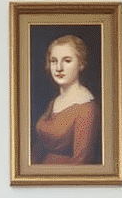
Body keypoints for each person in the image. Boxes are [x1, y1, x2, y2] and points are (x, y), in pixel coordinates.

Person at [32, 34, 100, 166]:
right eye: (53, 61)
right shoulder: (54, 102)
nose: (58, 68)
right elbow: (40, 147)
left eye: (67, 61)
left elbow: (81, 161)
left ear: (81, 64)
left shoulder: (86, 108)